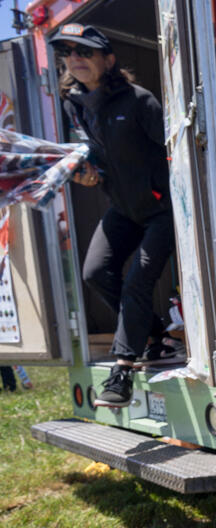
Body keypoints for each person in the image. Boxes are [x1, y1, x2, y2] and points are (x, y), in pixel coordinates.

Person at [52, 24, 179, 407]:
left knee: (137, 282)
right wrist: (86, 174)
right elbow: (89, 154)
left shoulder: (139, 101)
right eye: (69, 52)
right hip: (122, 208)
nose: (76, 58)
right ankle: (158, 337)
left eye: (85, 51)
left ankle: (121, 371)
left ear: (108, 60)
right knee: (95, 273)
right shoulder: (74, 104)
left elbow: (177, 150)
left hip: (161, 208)